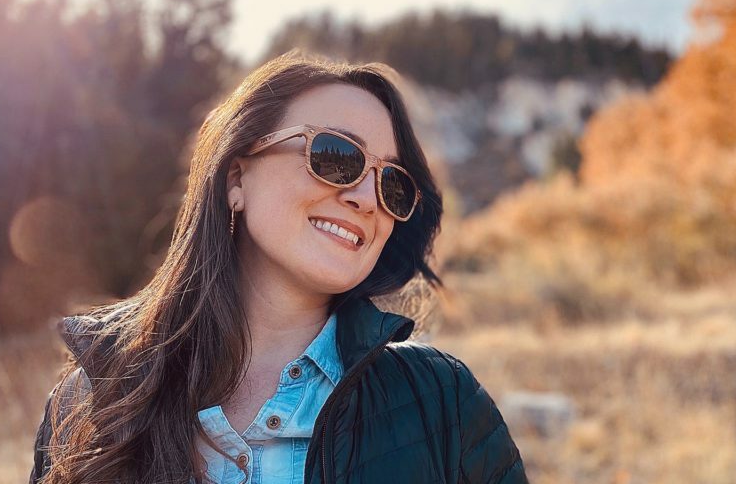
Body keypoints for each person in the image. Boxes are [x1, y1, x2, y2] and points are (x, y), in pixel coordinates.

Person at [28, 51, 528, 484]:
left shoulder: (444, 403)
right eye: (336, 155)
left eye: (392, 185)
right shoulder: (96, 400)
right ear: (236, 178)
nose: (366, 199)